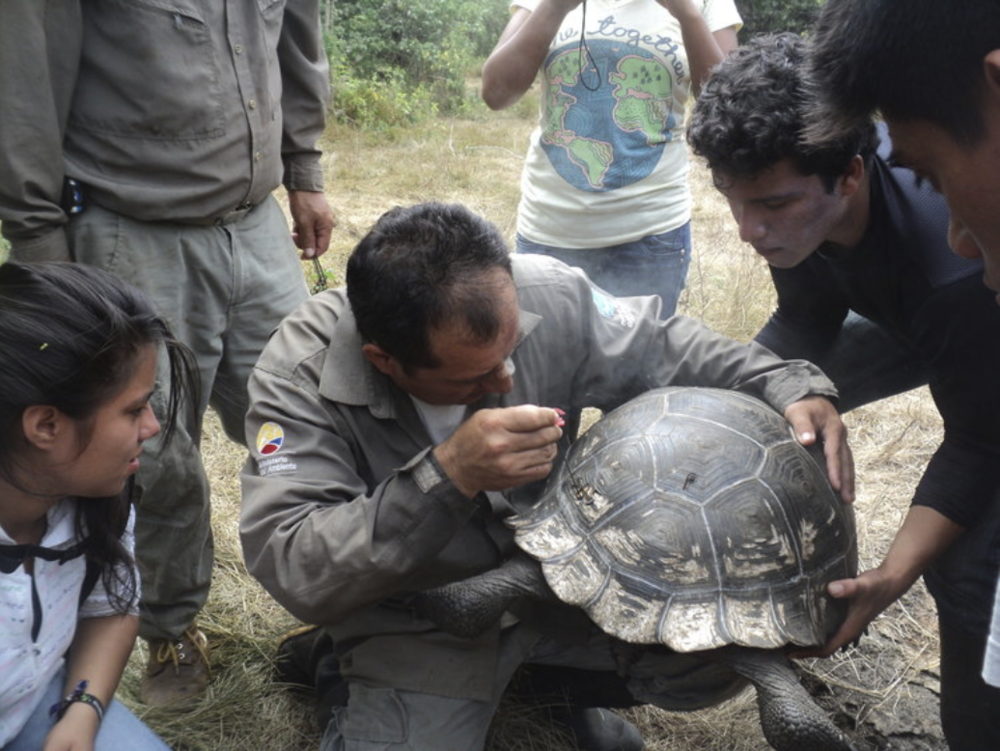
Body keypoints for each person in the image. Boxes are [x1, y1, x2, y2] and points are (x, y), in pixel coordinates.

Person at [239, 202, 854, 750]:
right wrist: (447, 475)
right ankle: (342, 672)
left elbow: (664, 346)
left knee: (698, 664)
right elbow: (296, 563)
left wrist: (788, 383)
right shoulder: (301, 377)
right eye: (473, 379)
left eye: (511, 352)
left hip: (571, 576)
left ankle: (542, 687)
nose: (505, 380)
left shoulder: (548, 295)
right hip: (418, 610)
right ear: (385, 361)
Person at [0, 0, 335, 705]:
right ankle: (168, 625)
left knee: (316, 415)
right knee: (152, 456)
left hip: (256, 224)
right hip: (131, 227)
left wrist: (304, 166)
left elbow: (298, 31)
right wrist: (40, 247)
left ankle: (355, 607)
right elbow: (25, 77)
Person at [687, 30, 1000, 748]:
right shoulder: (795, 217)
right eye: (734, 203)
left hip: (971, 326)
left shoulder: (949, 264)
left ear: (851, 175)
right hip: (911, 317)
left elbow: (981, 441)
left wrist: (890, 576)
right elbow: (805, 317)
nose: (747, 231)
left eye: (771, 204)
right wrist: (795, 385)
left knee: (963, 570)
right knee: (747, 405)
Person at [0, 261, 197, 749]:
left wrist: (82, 710)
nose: (151, 428)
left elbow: (110, 606)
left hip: (31, 704)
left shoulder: (94, 500)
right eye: (133, 409)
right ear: (46, 425)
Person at [480, 0, 741, 318]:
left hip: (650, 235)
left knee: (639, 363)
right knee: (549, 361)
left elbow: (729, 105)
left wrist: (686, 14)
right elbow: (496, 93)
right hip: (550, 229)